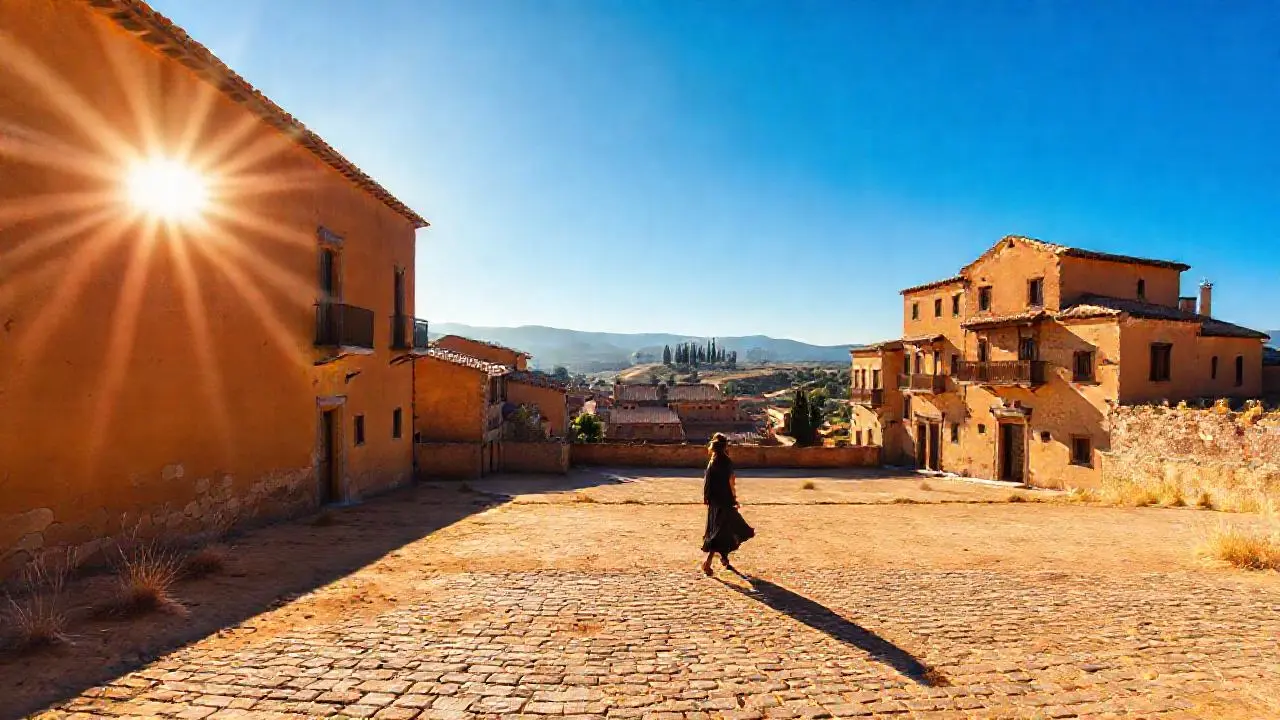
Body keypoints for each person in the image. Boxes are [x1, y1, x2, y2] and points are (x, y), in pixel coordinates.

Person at [701, 433, 754, 576]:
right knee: (726, 530)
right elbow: (731, 482)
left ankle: (724, 558)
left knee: (722, 530)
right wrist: (734, 498)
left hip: (714, 501)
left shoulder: (712, 462)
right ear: (725, 446)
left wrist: (707, 498)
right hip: (725, 501)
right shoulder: (726, 461)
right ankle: (707, 563)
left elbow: (707, 482)